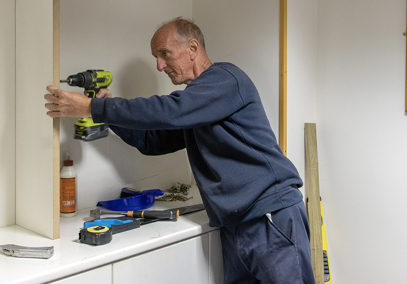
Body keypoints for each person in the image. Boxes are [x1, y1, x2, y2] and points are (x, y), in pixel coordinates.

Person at [45, 18, 315, 284]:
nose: (160, 65)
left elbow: (170, 111)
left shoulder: (225, 79)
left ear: (193, 49)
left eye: (164, 54)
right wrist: (109, 113)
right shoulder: (198, 107)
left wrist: (91, 108)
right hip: (235, 224)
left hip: (268, 216)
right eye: (156, 57)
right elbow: (153, 141)